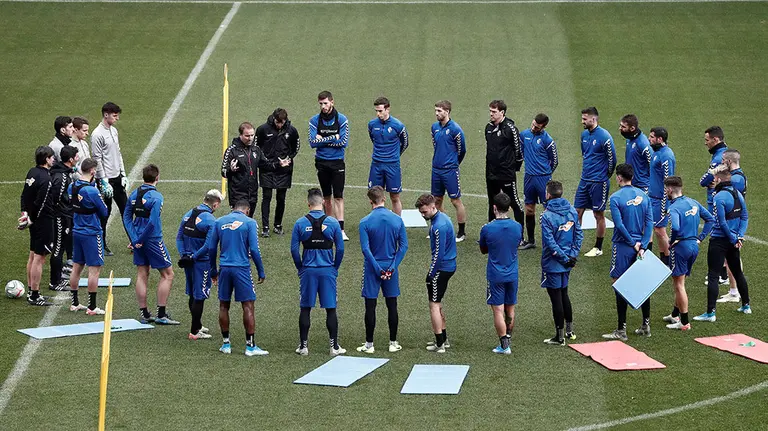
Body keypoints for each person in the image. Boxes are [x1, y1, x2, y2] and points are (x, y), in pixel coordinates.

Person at [194, 200, 269, 356]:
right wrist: (261, 271)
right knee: (248, 305)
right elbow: (254, 250)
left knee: (223, 305)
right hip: (242, 269)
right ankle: (250, 346)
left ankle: (226, 344)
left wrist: (214, 270)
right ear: (247, 210)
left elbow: (212, 248)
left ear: (233, 208)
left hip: (225, 269)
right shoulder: (250, 223)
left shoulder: (220, 221)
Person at [291, 188, 346, 356]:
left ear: (308, 204)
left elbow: (294, 249)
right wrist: (334, 267)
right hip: (327, 270)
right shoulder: (333, 223)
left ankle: (303, 346)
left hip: (308, 270)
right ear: (323, 202)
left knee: (305, 308)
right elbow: (341, 249)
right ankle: (334, 347)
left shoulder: (300, 223)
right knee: (331, 308)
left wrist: (301, 267)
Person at [602, 164, 653, 341]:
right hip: (641, 246)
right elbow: (649, 223)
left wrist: (632, 243)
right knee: (643, 284)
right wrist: (643, 245)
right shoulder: (644, 196)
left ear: (619, 177)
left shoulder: (616, 198)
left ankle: (621, 329)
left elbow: (619, 225)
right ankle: (646, 324)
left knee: (620, 284)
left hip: (623, 246)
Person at [693, 167, 751, 322]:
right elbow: (745, 216)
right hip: (733, 241)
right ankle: (746, 305)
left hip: (719, 241)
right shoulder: (738, 194)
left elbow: (721, 223)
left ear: (718, 179)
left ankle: (710, 313)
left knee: (713, 275)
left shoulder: (719, 197)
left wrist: (733, 238)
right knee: (738, 272)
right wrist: (739, 236)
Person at [123, 164, 177, 325]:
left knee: (142, 273)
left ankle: (144, 313)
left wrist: (134, 239)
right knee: (168, 274)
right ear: (157, 177)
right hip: (152, 239)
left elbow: (126, 217)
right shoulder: (157, 197)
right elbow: (153, 223)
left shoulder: (133, 194)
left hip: (139, 239)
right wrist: (140, 240)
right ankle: (161, 314)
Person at [357, 186, 408, 354]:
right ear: (384, 199)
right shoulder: (397, 220)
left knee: (370, 306)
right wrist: (392, 266)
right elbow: (403, 247)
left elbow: (365, 249)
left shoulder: (364, 222)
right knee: (392, 305)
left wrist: (377, 268)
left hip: (373, 268)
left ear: (370, 201)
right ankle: (393, 343)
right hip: (390, 266)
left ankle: (369, 345)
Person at [661, 176, 714, 331]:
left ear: (670, 189)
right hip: (693, 246)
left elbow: (676, 227)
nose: (665, 192)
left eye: (666, 189)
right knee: (681, 282)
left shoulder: (674, 208)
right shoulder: (693, 202)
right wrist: (700, 238)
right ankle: (674, 314)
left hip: (681, 247)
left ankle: (684, 322)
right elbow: (710, 220)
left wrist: (672, 241)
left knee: (678, 285)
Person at [539, 181, 583, 345]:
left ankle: (559, 337)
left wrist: (564, 258)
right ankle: (570, 331)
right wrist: (572, 256)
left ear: (548, 194)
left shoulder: (546, 215)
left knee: (556, 298)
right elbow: (578, 234)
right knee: (564, 294)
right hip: (567, 263)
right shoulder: (571, 210)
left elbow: (549, 242)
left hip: (553, 263)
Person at [176, 189, 224, 340]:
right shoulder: (211, 220)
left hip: (188, 260)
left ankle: (197, 325)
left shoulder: (188, 213)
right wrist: (194, 257)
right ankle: (194, 331)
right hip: (201, 263)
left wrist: (184, 255)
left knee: (192, 293)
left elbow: (179, 237)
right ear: (215, 204)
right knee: (200, 295)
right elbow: (209, 246)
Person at [479, 192, 522, 355]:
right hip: (512, 273)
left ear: (494, 207)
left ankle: (504, 345)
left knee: (498, 310)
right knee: (510, 308)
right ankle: (508, 337)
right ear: (509, 208)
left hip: (495, 275)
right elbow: (517, 244)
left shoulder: (487, 228)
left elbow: (483, 250)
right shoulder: (517, 226)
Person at [415, 193, 457, 353]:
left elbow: (439, 254)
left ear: (433, 207)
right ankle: (443, 340)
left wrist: (431, 274)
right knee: (437, 303)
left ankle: (440, 344)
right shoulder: (443, 218)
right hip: (448, 266)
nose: (423, 215)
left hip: (442, 268)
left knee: (433, 305)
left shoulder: (438, 226)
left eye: (424, 212)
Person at [67, 158, 109, 315]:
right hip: (91, 233)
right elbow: (104, 212)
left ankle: (75, 303)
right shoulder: (92, 191)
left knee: (77, 266)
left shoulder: (73, 186)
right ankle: (92, 307)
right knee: (94, 270)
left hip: (77, 230)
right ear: (92, 171)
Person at [308, 91, 350, 240]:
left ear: (332, 102)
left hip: (337, 161)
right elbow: (312, 142)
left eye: (325, 103)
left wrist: (323, 139)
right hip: (321, 161)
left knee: (338, 196)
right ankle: (329, 227)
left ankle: (341, 229)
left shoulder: (342, 120)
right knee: (326, 197)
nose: (323, 106)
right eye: (321, 104)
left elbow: (343, 142)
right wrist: (333, 137)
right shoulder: (314, 120)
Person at [575, 107, 616, 257]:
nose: (582, 122)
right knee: (577, 212)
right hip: (585, 180)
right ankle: (575, 244)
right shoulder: (584, 135)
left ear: (594, 119)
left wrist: (604, 176)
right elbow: (585, 154)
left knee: (598, 214)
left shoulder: (605, 137)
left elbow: (612, 160)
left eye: (585, 119)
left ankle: (598, 247)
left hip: (599, 181)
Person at [18, 146, 56, 306]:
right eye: (52, 157)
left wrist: (24, 213)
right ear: (46, 159)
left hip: (34, 221)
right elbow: (40, 204)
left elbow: (24, 195)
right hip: (43, 221)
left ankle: (31, 290)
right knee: (40, 258)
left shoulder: (32, 172)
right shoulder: (46, 180)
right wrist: (31, 219)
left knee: (33, 255)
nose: (54, 159)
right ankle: (34, 294)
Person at [221, 122, 281, 218]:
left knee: (249, 219)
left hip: (252, 193)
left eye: (252, 135)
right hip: (238, 194)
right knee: (239, 220)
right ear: (240, 135)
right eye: (247, 136)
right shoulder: (231, 150)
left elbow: (266, 165)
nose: (250, 138)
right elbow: (223, 172)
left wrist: (279, 164)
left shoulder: (256, 150)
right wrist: (231, 169)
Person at [255, 108, 299, 237]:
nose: (279, 124)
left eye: (282, 122)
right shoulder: (262, 129)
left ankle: (277, 225)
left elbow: (296, 146)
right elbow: (257, 147)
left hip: (284, 170)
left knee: (281, 198)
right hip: (267, 168)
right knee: (266, 197)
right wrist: (266, 161)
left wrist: (288, 158)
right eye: (277, 122)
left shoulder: (291, 130)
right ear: (273, 118)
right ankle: (265, 227)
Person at [91, 102, 126, 256]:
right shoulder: (97, 134)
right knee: (105, 213)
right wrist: (103, 180)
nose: (117, 118)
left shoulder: (114, 131)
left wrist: (123, 173)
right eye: (114, 115)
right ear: (106, 114)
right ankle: (102, 243)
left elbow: (118, 153)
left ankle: (135, 241)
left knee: (126, 210)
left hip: (117, 177)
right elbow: (97, 159)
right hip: (105, 181)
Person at [520, 113, 558, 249]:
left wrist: (546, 174)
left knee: (548, 210)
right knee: (529, 209)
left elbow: (554, 161)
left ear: (543, 127)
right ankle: (531, 241)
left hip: (543, 178)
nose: (534, 127)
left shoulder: (548, 140)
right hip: (529, 178)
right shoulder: (524, 135)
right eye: (533, 124)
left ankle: (551, 242)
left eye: (537, 127)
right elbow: (521, 151)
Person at [484, 100, 524, 228]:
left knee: (514, 202)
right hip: (491, 173)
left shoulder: (510, 128)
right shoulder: (488, 127)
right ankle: (491, 232)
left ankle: (520, 235)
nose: (491, 114)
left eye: (494, 112)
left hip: (506, 173)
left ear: (502, 112)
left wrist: (513, 167)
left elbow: (519, 151)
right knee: (492, 203)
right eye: (490, 111)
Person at [431, 100, 467, 240]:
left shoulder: (455, 129)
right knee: (437, 200)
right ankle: (441, 228)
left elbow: (461, 150)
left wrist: (453, 163)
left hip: (450, 170)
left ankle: (462, 232)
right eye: (436, 110)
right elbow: (436, 145)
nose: (436, 113)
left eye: (439, 111)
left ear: (447, 111)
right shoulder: (434, 127)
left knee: (455, 201)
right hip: (436, 170)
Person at [698, 126, 729, 286]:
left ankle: (722, 275)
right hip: (722, 199)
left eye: (707, 140)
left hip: (717, 201)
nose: (706, 143)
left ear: (715, 140)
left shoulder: (718, 158)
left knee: (718, 237)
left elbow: (704, 180)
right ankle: (723, 273)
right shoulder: (725, 152)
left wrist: (708, 181)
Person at [367, 97, 408, 215]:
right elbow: (373, 139)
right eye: (376, 111)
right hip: (376, 165)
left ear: (387, 109)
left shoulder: (398, 125)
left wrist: (395, 155)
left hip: (392, 165)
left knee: (394, 197)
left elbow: (405, 143)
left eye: (380, 111)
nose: (378, 114)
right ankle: (376, 222)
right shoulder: (372, 124)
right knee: (375, 196)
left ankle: (397, 224)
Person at [717, 149, 747, 303]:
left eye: (723, 161)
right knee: (731, 259)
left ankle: (735, 292)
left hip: (733, 222)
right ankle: (734, 291)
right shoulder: (740, 176)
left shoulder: (736, 179)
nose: (721, 163)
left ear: (729, 161)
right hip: (734, 220)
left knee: (732, 259)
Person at [49, 145, 78, 291]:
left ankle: (58, 277)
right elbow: (56, 198)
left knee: (60, 248)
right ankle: (55, 281)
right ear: (71, 159)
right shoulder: (61, 177)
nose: (78, 159)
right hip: (60, 217)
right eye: (76, 157)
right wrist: (64, 210)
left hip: (65, 214)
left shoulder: (65, 173)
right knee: (58, 248)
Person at [647, 127, 676, 266]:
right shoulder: (656, 152)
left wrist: (665, 205)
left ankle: (671, 259)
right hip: (653, 198)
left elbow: (668, 182)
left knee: (660, 230)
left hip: (660, 200)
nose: (649, 139)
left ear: (660, 139)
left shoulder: (666, 156)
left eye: (652, 137)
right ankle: (664, 259)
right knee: (657, 230)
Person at [619, 114, 652, 193]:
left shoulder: (643, 144)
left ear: (632, 128)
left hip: (642, 187)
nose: (620, 128)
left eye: (623, 127)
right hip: (630, 184)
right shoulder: (629, 139)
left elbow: (652, 164)